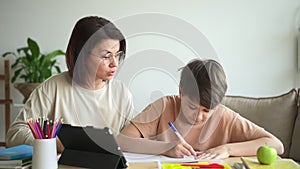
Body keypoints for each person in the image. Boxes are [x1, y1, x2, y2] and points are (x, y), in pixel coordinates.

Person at [6, 16, 134, 153]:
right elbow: (15, 134)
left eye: (117, 54)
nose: (114, 63)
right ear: (82, 54)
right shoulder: (52, 88)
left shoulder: (120, 92)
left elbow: (130, 139)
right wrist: (50, 143)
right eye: (106, 56)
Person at [117, 59, 284, 159]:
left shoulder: (224, 116)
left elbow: (276, 145)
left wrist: (227, 149)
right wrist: (165, 147)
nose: (198, 117)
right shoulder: (164, 106)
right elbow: (122, 140)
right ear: (181, 92)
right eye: (192, 107)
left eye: (206, 111)